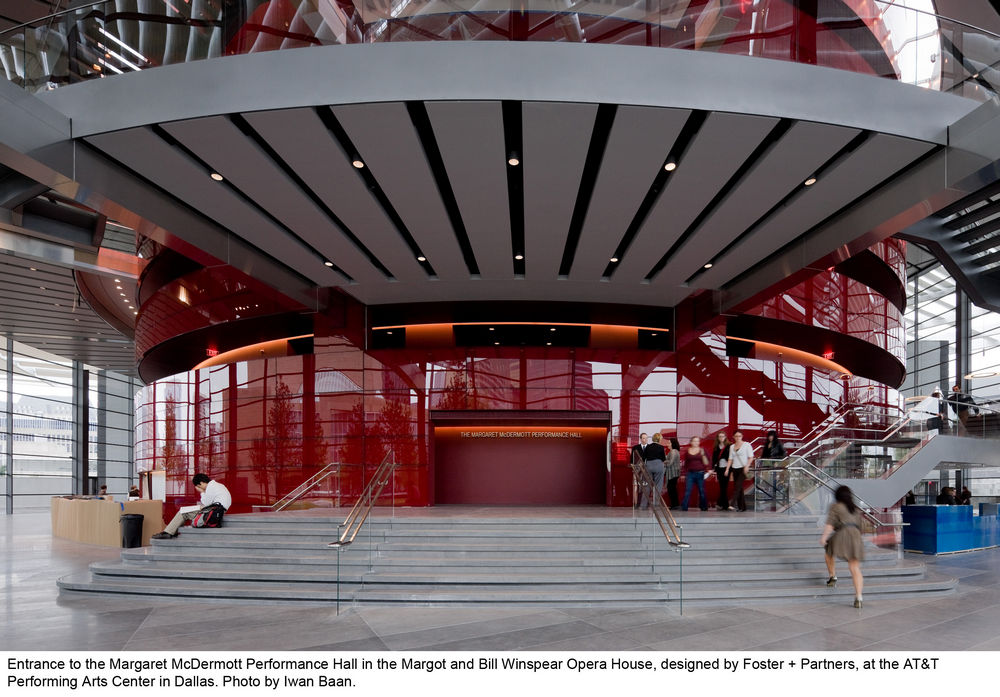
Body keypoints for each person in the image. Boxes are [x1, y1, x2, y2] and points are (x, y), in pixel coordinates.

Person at [820, 485, 865, 608]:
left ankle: (832, 576)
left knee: (828, 550)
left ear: (837, 496)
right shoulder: (855, 509)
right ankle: (859, 597)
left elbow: (830, 525)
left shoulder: (835, 506)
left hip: (842, 534)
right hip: (856, 537)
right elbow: (860, 526)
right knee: (855, 568)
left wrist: (824, 537)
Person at [152, 473, 232, 539]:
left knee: (183, 512)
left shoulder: (211, 487)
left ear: (201, 483)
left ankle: (168, 532)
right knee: (185, 511)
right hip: (217, 509)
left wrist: (202, 492)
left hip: (214, 511)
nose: (198, 488)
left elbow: (206, 503)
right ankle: (172, 531)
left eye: (198, 486)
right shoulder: (217, 485)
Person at [680, 435, 710, 511]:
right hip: (690, 473)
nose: (696, 442)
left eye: (697, 441)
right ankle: (684, 507)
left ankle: (703, 507)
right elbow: (686, 463)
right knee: (688, 490)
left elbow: (706, 462)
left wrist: (703, 455)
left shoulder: (702, 450)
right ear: (691, 442)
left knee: (701, 490)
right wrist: (683, 474)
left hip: (700, 473)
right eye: (694, 441)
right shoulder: (688, 451)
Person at [726, 431, 754, 512]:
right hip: (735, 468)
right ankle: (742, 507)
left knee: (737, 487)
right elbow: (730, 459)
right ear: (734, 437)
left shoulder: (747, 445)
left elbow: (751, 457)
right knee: (739, 488)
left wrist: (747, 466)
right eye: (736, 436)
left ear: (742, 436)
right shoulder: (732, 447)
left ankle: (732, 504)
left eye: (739, 436)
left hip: (743, 468)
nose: (738, 438)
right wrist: (727, 469)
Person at [639, 433, 666, 510]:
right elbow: (663, 459)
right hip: (658, 465)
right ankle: (656, 504)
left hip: (649, 465)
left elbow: (644, 457)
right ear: (659, 439)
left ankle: (643, 505)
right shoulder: (661, 447)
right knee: (658, 486)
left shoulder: (648, 446)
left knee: (647, 485)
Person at [712, 432, 731, 510]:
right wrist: (714, 468)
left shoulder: (729, 446)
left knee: (724, 486)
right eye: (720, 437)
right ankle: (723, 504)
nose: (721, 438)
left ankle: (722, 504)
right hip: (719, 468)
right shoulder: (716, 447)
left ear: (725, 437)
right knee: (721, 486)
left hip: (726, 468)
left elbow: (730, 457)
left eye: (722, 436)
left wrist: (723, 457)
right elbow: (714, 458)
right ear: (718, 438)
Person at [663, 437, 681, 509]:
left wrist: (664, 462)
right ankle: (675, 504)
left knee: (671, 489)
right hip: (673, 473)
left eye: (669, 442)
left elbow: (670, 462)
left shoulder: (673, 451)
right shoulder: (674, 451)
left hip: (672, 474)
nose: (668, 444)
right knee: (672, 489)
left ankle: (674, 505)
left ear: (672, 444)